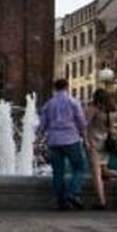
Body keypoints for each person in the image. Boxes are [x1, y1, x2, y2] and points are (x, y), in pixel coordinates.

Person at [38, 78, 89, 210]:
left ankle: (61, 201)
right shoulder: (73, 102)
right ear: (67, 87)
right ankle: (73, 193)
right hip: (71, 139)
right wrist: (85, 137)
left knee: (57, 171)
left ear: (55, 88)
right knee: (78, 167)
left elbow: (42, 125)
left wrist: (39, 138)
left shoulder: (49, 104)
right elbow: (81, 121)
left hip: (54, 141)